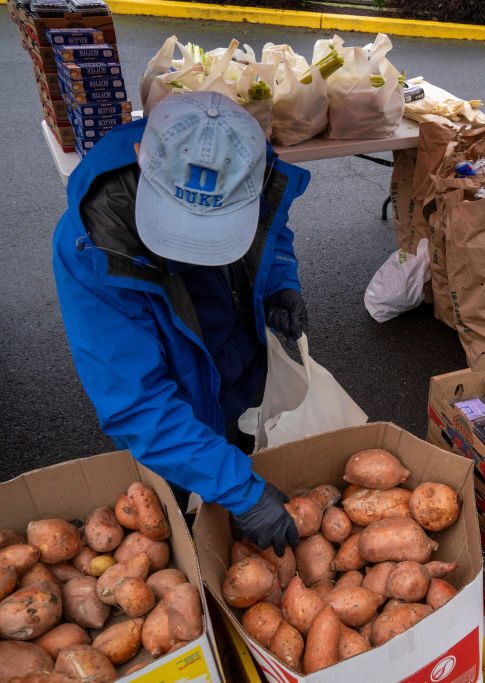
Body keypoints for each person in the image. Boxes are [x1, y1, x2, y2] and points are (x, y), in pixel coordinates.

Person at [53, 92, 309, 555]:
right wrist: (241, 493)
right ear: (141, 160)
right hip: (174, 408)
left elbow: (273, 227)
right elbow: (138, 403)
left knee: (243, 452)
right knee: (187, 513)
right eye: (181, 230)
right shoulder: (91, 250)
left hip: (235, 360)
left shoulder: (245, 160)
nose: (194, 251)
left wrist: (279, 280)